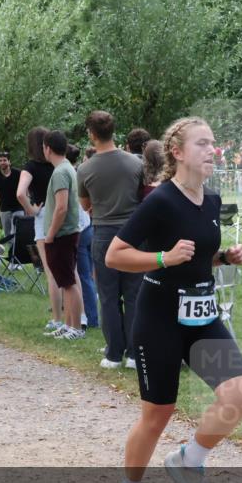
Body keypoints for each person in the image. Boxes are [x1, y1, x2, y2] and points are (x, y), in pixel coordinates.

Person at [104, 116, 242, 483]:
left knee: (239, 394)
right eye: (202, 144)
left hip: (202, 314)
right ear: (178, 152)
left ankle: (189, 462)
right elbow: (115, 255)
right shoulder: (160, 201)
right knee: (158, 414)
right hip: (159, 319)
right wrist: (162, 259)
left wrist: (223, 258)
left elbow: (196, 256)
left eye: (213, 144)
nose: (211, 151)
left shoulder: (211, 200)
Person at [77, 111, 144, 369]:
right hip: (133, 232)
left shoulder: (85, 169)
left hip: (104, 232)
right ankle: (134, 354)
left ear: (91, 134)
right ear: (113, 131)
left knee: (107, 295)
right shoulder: (135, 163)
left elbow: (85, 205)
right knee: (134, 293)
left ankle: (114, 353)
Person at [31, 130, 83, 338]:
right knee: (65, 281)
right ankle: (69, 325)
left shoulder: (61, 172)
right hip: (66, 233)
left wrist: (50, 234)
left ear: (47, 148)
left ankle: (76, 328)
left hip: (62, 234)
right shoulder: (66, 168)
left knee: (68, 283)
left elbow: (61, 207)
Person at [16, 127, 63, 328]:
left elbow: (20, 193)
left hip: (44, 216)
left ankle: (57, 318)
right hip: (62, 213)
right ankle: (74, 314)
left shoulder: (31, 167)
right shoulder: (57, 165)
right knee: (68, 269)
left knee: (51, 270)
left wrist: (31, 209)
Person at [68, 143, 98, 330]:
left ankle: (91, 318)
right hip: (89, 225)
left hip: (80, 229)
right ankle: (90, 313)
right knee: (89, 275)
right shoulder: (82, 173)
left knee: (83, 275)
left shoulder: (73, 175)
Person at [0, 151, 22, 238]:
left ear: (9, 162)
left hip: (18, 207)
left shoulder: (18, 173)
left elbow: (25, 189)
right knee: (7, 234)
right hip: (4, 209)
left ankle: (19, 250)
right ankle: (11, 251)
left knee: (19, 232)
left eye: (4, 160)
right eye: (0, 160)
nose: (2, 162)